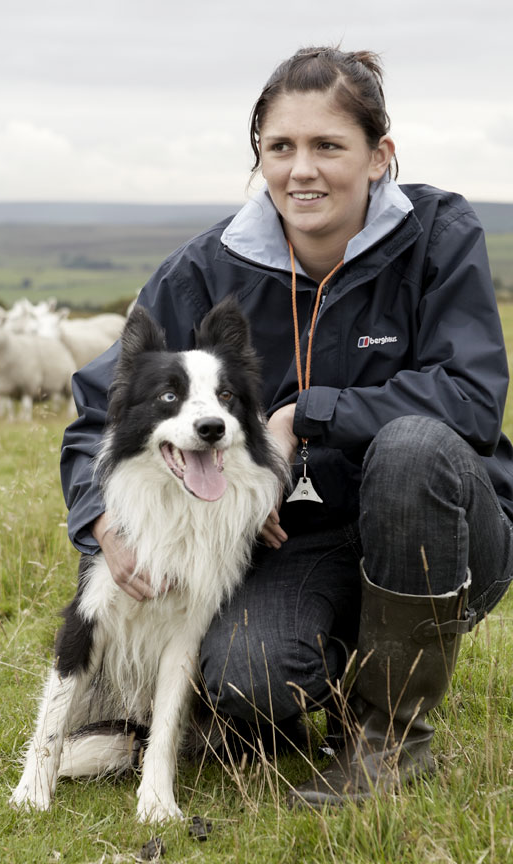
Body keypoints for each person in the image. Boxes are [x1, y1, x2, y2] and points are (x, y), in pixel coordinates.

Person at [60, 46, 513, 807]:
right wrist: (99, 518)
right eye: (281, 148)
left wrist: (306, 414)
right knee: (250, 675)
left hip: (447, 526)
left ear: (379, 157)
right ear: (260, 159)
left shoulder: (440, 234)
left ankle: (388, 740)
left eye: (329, 146)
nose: (302, 170)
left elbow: (469, 397)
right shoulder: (206, 268)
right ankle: (266, 706)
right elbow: (102, 408)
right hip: (293, 544)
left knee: (410, 447)